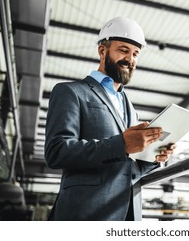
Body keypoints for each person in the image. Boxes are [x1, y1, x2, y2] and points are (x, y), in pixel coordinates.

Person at [44, 16, 175, 221]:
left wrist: (152, 158)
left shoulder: (130, 108)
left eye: (135, 54)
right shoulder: (70, 92)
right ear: (102, 51)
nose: (130, 59)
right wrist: (121, 144)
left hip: (125, 216)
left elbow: (127, 169)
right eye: (123, 50)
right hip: (84, 215)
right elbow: (57, 152)